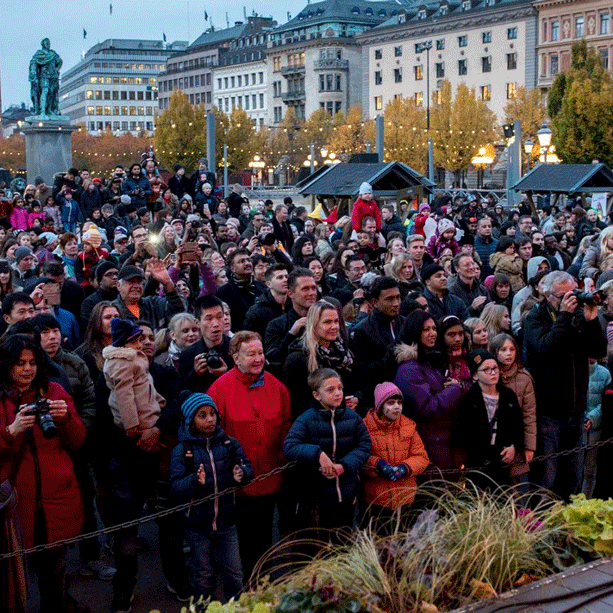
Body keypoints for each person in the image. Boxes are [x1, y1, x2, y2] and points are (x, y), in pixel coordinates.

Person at [0, 334, 86, 613]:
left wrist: (66, 420)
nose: (27, 369)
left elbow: (78, 441)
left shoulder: (55, 392)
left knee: (55, 573)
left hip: (56, 499)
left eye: (33, 362)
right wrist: (10, 432)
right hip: (13, 503)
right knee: (13, 580)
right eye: (20, 363)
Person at [207, 331, 291, 577]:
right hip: (235, 484)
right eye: (251, 354)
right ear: (236, 357)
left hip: (269, 477)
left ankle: (262, 578)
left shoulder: (278, 387)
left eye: (260, 353)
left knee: (264, 532)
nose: (258, 359)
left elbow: (286, 426)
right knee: (237, 538)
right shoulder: (220, 389)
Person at [524, 271, 606, 499]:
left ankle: (569, 524)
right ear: (547, 295)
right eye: (563, 296)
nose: (570, 300)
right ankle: (542, 524)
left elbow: (598, 351)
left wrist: (591, 321)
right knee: (547, 477)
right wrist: (563, 317)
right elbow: (546, 350)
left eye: (573, 294)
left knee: (573, 476)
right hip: (549, 413)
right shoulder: (535, 318)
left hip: (576, 410)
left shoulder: (579, 315)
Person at [101, 318, 164, 611]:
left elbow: (146, 390)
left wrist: (159, 404)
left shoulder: (141, 362)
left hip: (148, 442)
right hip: (128, 450)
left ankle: (177, 579)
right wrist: (134, 428)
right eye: (138, 339)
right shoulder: (124, 363)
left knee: (167, 522)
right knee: (127, 529)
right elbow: (125, 397)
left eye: (146, 338)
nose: (143, 344)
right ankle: (123, 591)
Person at [169, 392, 253, 601]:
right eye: (202, 415)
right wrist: (193, 482)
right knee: (203, 574)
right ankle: (203, 607)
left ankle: (236, 606)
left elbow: (247, 467)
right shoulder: (183, 450)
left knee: (234, 572)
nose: (209, 420)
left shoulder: (229, 443)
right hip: (197, 525)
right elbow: (176, 486)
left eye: (212, 414)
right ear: (190, 420)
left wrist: (241, 474)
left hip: (227, 521)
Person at [283, 367, 371, 533]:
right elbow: (290, 445)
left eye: (339, 388)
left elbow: (364, 445)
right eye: (330, 390)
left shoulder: (353, 418)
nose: (337, 393)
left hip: (347, 492)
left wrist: (344, 466)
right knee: (318, 541)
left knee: (343, 538)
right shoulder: (306, 419)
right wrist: (318, 454)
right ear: (316, 395)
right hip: (316, 496)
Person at [395, 311, 464, 473]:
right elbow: (428, 407)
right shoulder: (409, 369)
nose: (433, 333)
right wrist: (455, 389)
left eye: (434, 328)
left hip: (440, 439)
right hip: (428, 442)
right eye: (426, 330)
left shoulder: (427, 362)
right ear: (414, 331)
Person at [361, 382, 429, 529]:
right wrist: (377, 465)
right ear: (380, 406)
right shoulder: (364, 427)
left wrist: (405, 468)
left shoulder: (408, 426)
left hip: (405, 497)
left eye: (399, 403)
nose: (397, 407)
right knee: (380, 543)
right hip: (376, 499)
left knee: (403, 542)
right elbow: (359, 457)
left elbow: (421, 457)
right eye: (391, 403)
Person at [456, 350, 524, 487]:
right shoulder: (467, 400)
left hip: (503, 463)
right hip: (479, 466)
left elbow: (518, 427)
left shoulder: (508, 396)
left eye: (495, 368)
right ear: (475, 374)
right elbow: (465, 436)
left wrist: (514, 447)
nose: (493, 373)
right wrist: (491, 453)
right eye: (486, 370)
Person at [282, 299, 356, 418]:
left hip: (344, 420)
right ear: (314, 325)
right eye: (327, 322)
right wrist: (337, 404)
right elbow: (295, 402)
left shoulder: (343, 353)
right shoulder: (297, 358)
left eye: (336, 321)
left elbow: (355, 385)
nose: (334, 326)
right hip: (314, 424)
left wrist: (356, 398)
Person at [490, 333, 537, 490]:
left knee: (519, 493)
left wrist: (529, 447)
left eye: (512, 349)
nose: (508, 353)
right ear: (495, 352)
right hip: (493, 446)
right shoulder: (487, 376)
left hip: (517, 445)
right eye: (503, 349)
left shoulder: (524, 378)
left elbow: (529, 415)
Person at [350, 276, 404, 404]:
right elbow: (360, 372)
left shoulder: (406, 324)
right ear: (374, 302)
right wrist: (388, 360)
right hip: (379, 400)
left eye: (398, 297)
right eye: (389, 299)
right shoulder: (362, 331)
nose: (396, 303)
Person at [264, 268, 318, 375]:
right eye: (305, 289)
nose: (311, 293)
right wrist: (291, 335)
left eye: (313, 288)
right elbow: (272, 360)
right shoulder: (276, 325)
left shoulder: (325, 320)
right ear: (290, 293)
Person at [178, 296, 234, 392]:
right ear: (197, 322)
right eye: (209, 318)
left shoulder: (237, 348)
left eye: (219, 317)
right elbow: (182, 392)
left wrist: (228, 374)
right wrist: (195, 373)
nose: (215, 324)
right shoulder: (187, 356)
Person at [112, 262, 184, 330]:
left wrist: (167, 282)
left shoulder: (153, 304)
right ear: (118, 286)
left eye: (139, 282)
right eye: (131, 282)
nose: (136, 286)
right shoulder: (112, 310)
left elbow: (179, 311)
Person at [582, 358, 611, 498]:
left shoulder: (605, 374)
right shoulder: (574, 370)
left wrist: (592, 418)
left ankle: (585, 503)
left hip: (595, 429)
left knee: (590, 471)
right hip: (576, 427)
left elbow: (606, 403)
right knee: (573, 471)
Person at [216, 248, 262, 332]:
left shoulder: (262, 287)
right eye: (242, 261)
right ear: (232, 268)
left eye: (248, 260)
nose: (247, 263)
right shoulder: (223, 293)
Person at [243, 263, 290, 339]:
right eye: (280, 277)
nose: (285, 280)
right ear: (269, 284)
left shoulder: (296, 304)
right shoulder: (256, 311)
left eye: (287, 277)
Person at [80, 261, 119, 330]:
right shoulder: (90, 303)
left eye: (116, 274)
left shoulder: (123, 297)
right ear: (100, 280)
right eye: (109, 274)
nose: (115, 277)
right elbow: (90, 328)